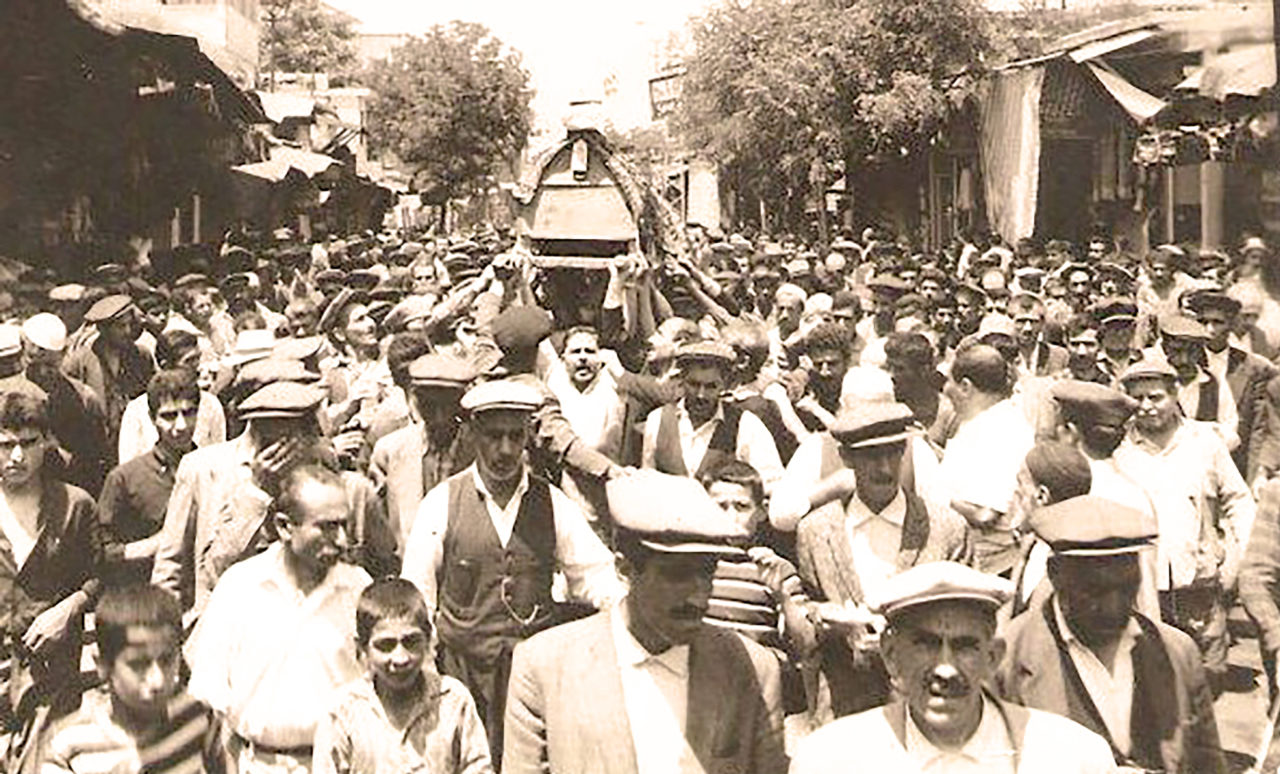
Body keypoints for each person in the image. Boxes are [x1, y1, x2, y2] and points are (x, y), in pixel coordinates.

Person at [502, 470, 788, 774]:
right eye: (677, 575)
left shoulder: (751, 669)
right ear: (624, 568)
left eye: (707, 572)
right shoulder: (544, 667)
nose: (699, 596)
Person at [400, 379, 623, 761]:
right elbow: (418, 596)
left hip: (531, 678)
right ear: (473, 434)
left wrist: (626, 612)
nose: (504, 449)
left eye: (515, 436)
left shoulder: (552, 502)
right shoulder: (441, 503)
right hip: (462, 676)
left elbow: (595, 575)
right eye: (493, 436)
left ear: (527, 437)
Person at [790, 561, 1116, 773]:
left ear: (993, 657)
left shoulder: (1070, 757)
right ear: (890, 655)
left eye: (964, 646)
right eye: (926, 644)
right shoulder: (832, 760)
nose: (945, 669)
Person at [997, 495, 1225, 773]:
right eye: (1095, 591)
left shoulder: (1178, 651)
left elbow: (1207, 763)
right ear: (1055, 575)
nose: (1113, 607)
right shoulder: (1006, 657)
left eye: (1127, 587)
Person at [151, 379, 394, 625]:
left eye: (308, 437)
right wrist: (256, 496)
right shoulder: (204, 469)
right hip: (234, 628)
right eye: (283, 442)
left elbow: (385, 571)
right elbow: (195, 572)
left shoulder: (348, 490)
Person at [185, 465, 372, 774]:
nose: (341, 540)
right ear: (285, 527)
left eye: (344, 525)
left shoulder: (358, 587)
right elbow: (208, 692)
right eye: (327, 527)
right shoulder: (240, 586)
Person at [794, 399, 967, 720]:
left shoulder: (947, 529)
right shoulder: (815, 531)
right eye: (871, 456)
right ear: (846, 457)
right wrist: (829, 621)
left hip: (928, 710)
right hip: (843, 707)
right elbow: (805, 612)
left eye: (893, 453)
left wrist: (901, 638)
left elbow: (971, 619)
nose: (885, 468)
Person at [1114, 354, 1254, 686]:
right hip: (1141, 589)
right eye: (1137, 398)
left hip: (1199, 584)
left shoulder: (1205, 443)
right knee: (1151, 681)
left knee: (1207, 678)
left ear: (1175, 393)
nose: (1146, 406)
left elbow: (1238, 500)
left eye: (1155, 397)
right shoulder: (1119, 447)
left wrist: (1238, 560)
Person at [0, 387, 103, 766]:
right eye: (5, 444)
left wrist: (69, 608)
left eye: (28, 443)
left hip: (50, 670)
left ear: (46, 442)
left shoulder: (75, 505)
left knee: (43, 765)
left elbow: (98, 576)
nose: (16, 456)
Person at [312, 578, 492, 774]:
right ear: (362, 648)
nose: (400, 658)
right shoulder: (343, 713)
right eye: (385, 645)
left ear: (428, 639)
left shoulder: (453, 701)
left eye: (411, 642)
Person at [39, 584, 223, 774]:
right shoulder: (69, 744)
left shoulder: (196, 715)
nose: (157, 680)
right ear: (103, 664)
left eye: (167, 660)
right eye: (138, 664)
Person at [939, 342, 1034, 575]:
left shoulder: (998, 430)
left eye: (949, 382)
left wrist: (932, 493)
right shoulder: (984, 422)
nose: (945, 390)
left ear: (965, 387)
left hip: (989, 566)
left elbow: (985, 513)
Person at [98, 370, 200, 587]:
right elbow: (100, 553)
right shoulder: (125, 479)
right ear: (153, 419)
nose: (181, 425)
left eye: (189, 413)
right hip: (147, 596)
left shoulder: (214, 469)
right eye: (169, 416)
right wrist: (157, 544)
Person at [641, 340, 784, 494]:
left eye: (711, 386)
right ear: (682, 379)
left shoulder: (745, 425)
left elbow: (772, 484)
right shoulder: (657, 419)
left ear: (725, 385)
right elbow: (647, 481)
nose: (701, 395)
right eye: (694, 384)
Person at [368, 354, 476, 552]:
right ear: (416, 401)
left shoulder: (479, 451)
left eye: (447, 406)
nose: (439, 418)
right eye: (430, 406)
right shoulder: (390, 451)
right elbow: (378, 528)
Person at [62, 295, 156, 469]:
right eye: (120, 327)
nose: (128, 331)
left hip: (134, 441)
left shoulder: (141, 356)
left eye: (130, 324)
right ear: (103, 329)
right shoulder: (79, 361)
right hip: (97, 447)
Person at [1159, 314, 1240, 451]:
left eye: (1191, 351)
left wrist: (1206, 450)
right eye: (1177, 351)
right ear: (1165, 349)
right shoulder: (1154, 381)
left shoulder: (1214, 383)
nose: (1184, 360)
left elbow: (1230, 429)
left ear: (1201, 350)